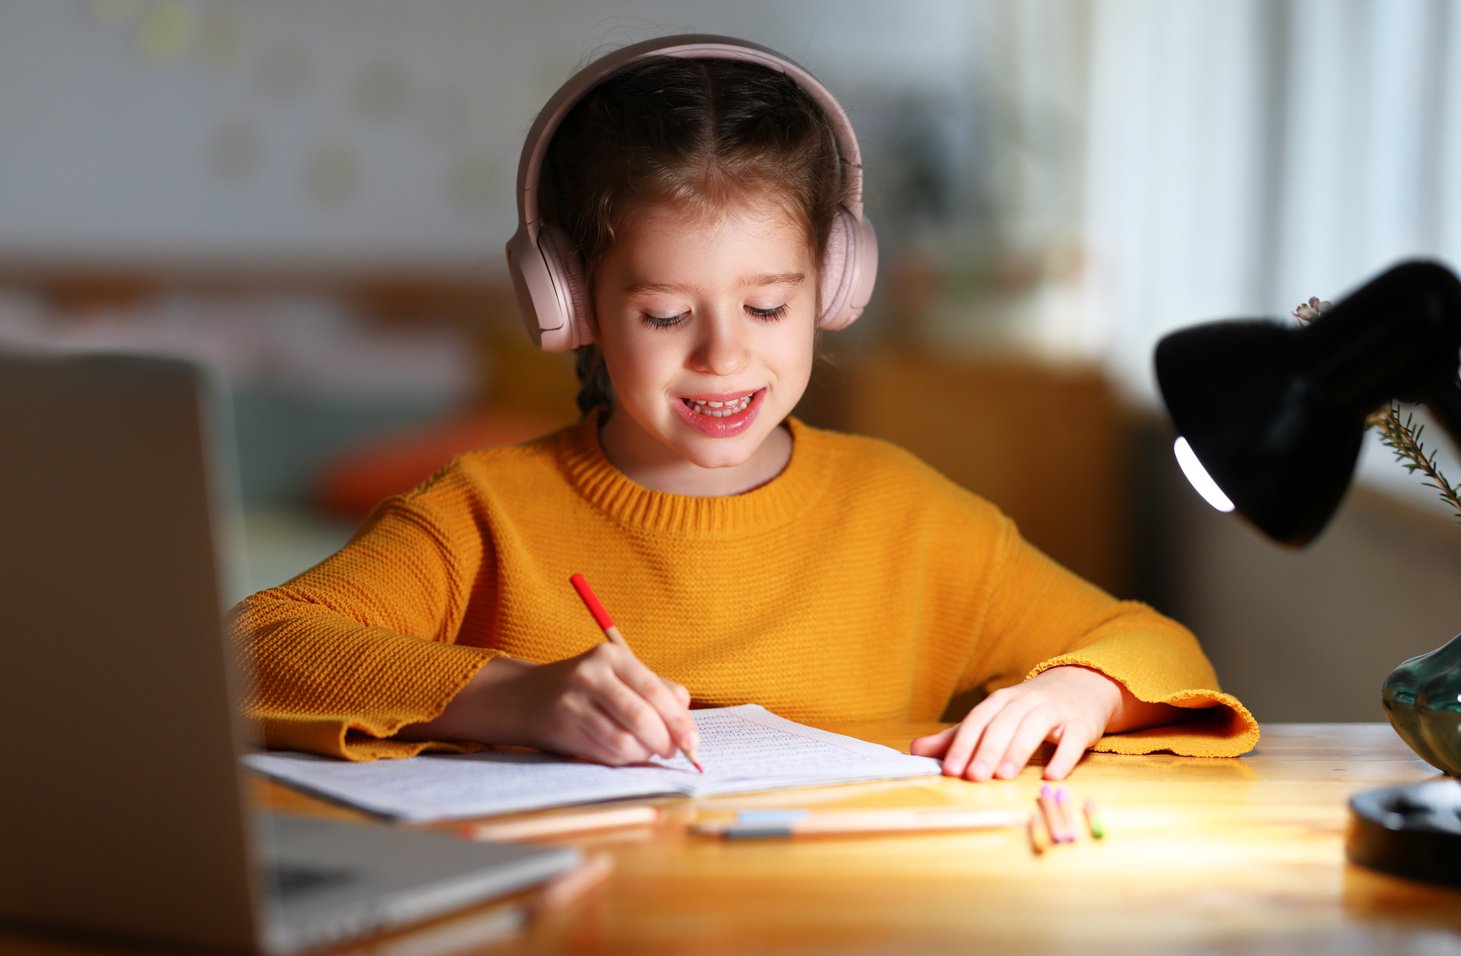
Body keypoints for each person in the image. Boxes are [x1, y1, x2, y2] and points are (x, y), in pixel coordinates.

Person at [230, 35, 1257, 782]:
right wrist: (516, 692)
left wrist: (1073, 688)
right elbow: (251, 645)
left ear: (836, 285)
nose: (724, 353)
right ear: (571, 303)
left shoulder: (903, 513)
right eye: (666, 311)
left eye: (767, 304)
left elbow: (1153, 642)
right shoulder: (481, 512)